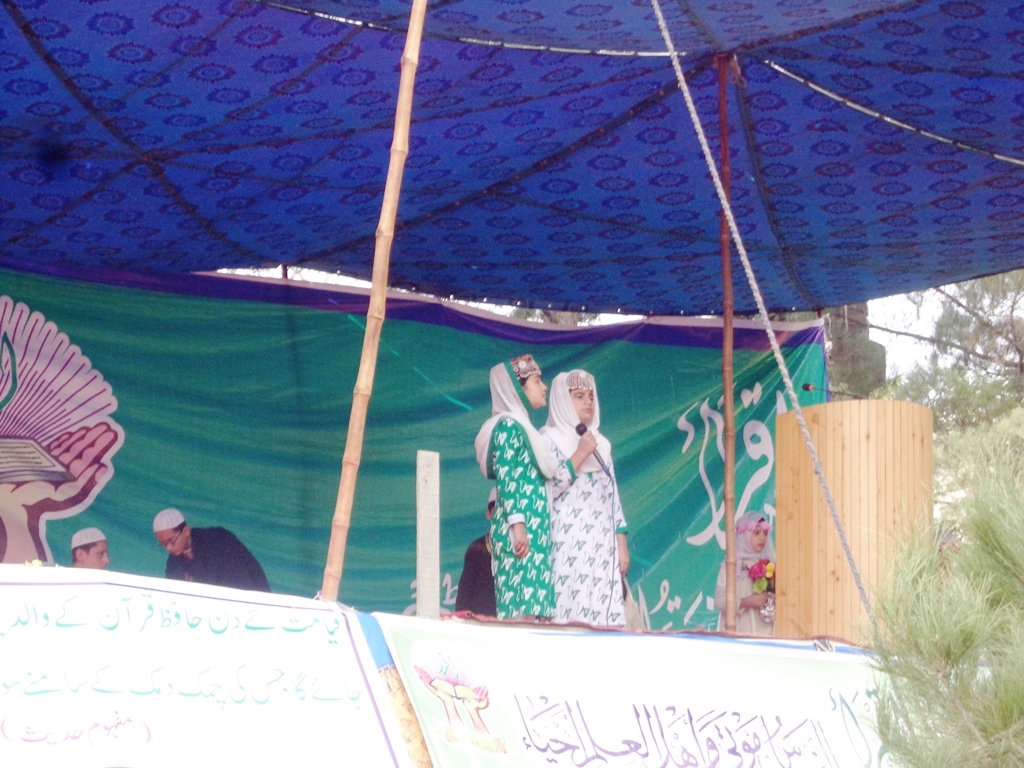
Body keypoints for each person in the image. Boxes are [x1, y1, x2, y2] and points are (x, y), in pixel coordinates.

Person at [473, 353, 585, 620]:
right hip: (519, 533)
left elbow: (547, 482)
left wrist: (581, 454)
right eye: (536, 381)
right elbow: (507, 477)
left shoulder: (526, 430)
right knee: (517, 614)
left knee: (532, 614)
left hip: (533, 531)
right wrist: (518, 526)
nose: (543, 387)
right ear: (517, 389)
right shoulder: (507, 427)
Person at [542, 370, 630, 627]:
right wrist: (580, 454)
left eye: (590, 396)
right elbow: (548, 489)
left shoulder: (602, 444)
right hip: (566, 538)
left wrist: (621, 543)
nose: (588, 402)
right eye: (579, 396)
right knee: (569, 611)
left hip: (602, 540)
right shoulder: (547, 440)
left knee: (600, 611)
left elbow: (612, 494)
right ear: (562, 400)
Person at [153, 507, 270, 592]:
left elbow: (240, 580)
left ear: (186, 531)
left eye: (171, 541)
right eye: (163, 544)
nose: (168, 548)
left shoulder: (218, 540)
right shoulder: (173, 562)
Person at [715, 511, 776, 636]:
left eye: (765, 534)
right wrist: (747, 602)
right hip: (738, 634)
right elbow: (719, 601)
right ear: (744, 535)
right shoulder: (731, 566)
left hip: (767, 635)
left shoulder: (770, 566)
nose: (762, 538)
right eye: (756, 533)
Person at [454, 489, 497, 617]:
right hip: (480, 622)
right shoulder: (477, 548)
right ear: (488, 514)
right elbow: (465, 592)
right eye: (497, 511)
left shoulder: (521, 548)